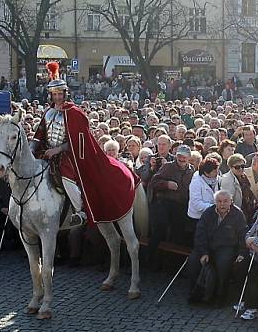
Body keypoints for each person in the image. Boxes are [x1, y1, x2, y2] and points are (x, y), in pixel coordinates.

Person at [30, 62, 137, 228]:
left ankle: (80, 211)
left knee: (66, 176)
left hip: (69, 154)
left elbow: (78, 140)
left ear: (65, 94)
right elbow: (39, 134)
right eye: (55, 94)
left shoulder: (75, 113)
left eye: (60, 94)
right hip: (47, 152)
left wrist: (57, 149)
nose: (57, 97)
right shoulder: (48, 112)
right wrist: (30, 150)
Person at [186, 190, 247, 306]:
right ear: (215, 202)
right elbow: (200, 234)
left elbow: (243, 235)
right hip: (207, 246)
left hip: (226, 247)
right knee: (193, 261)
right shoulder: (208, 213)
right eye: (219, 201)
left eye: (225, 201)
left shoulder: (238, 214)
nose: (222, 204)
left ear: (231, 202)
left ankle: (219, 297)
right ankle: (195, 294)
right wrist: (204, 252)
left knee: (223, 263)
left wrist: (242, 253)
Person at [145, 144, 193, 254]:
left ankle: (171, 262)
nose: (182, 159)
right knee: (160, 229)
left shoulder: (191, 170)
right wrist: (166, 184)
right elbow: (153, 183)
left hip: (180, 205)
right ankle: (149, 259)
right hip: (164, 202)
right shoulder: (168, 167)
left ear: (189, 158)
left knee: (178, 233)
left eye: (184, 156)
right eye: (179, 156)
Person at [188, 157, 221, 222]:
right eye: (214, 171)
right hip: (197, 218)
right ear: (206, 173)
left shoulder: (218, 179)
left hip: (212, 216)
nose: (217, 173)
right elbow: (197, 204)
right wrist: (215, 207)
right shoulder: (196, 182)